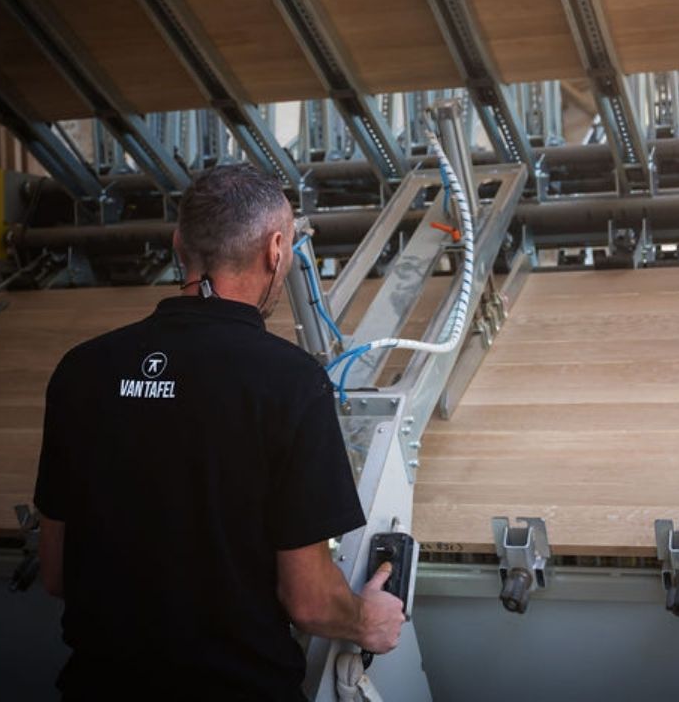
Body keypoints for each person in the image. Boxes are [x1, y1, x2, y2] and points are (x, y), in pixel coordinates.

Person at [35, 164, 405, 701]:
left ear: (178, 243)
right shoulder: (291, 383)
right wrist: (366, 620)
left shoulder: (81, 370)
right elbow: (310, 603)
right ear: (277, 250)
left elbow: (56, 573)